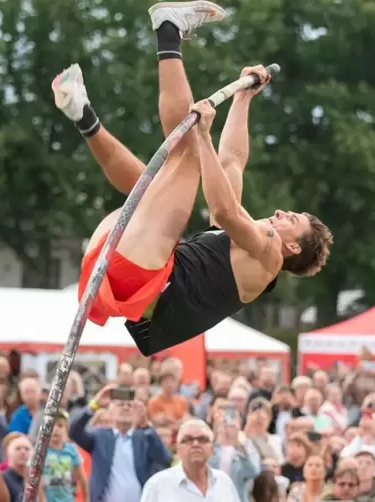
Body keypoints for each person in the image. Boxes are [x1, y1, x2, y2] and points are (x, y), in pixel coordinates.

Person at [52, 1, 332, 357]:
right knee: (158, 177)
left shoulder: (268, 254)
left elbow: (225, 209)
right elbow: (233, 162)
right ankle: (83, 115)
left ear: (293, 247)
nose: (280, 212)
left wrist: (203, 138)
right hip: (123, 267)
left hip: (138, 273)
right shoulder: (243, 246)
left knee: (187, 152)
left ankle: (168, 31)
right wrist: (243, 99)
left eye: (291, 219)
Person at [69, 384, 172, 502]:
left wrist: (146, 425)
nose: (126, 408)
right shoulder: (100, 436)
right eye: (120, 404)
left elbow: (165, 460)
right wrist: (94, 405)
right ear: (110, 410)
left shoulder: (144, 437)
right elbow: (73, 431)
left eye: (130, 405)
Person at [140, 419, 240, 501]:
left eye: (202, 439)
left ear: (212, 449)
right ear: (178, 449)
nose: (195, 444)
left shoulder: (224, 482)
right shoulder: (157, 485)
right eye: (188, 440)